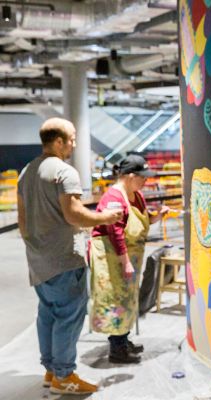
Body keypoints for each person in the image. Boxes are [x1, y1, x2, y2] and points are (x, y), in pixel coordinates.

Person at [17, 117, 123, 395]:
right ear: (59, 141)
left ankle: (51, 370)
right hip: (65, 259)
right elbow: (73, 214)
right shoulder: (64, 172)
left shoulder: (26, 172)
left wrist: (37, 248)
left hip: (39, 261)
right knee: (68, 316)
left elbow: (23, 221)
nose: (75, 144)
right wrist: (106, 217)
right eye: (72, 138)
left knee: (48, 315)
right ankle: (64, 376)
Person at [89, 154, 169, 364]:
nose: (146, 181)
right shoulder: (114, 198)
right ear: (130, 176)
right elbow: (115, 232)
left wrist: (158, 216)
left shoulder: (137, 195)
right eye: (143, 177)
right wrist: (124, 261)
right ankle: (117, 349)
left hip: (129, 256)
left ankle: (123, 340)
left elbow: (142, 221)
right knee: (115, 299)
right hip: (112, 257)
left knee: (127, 299)